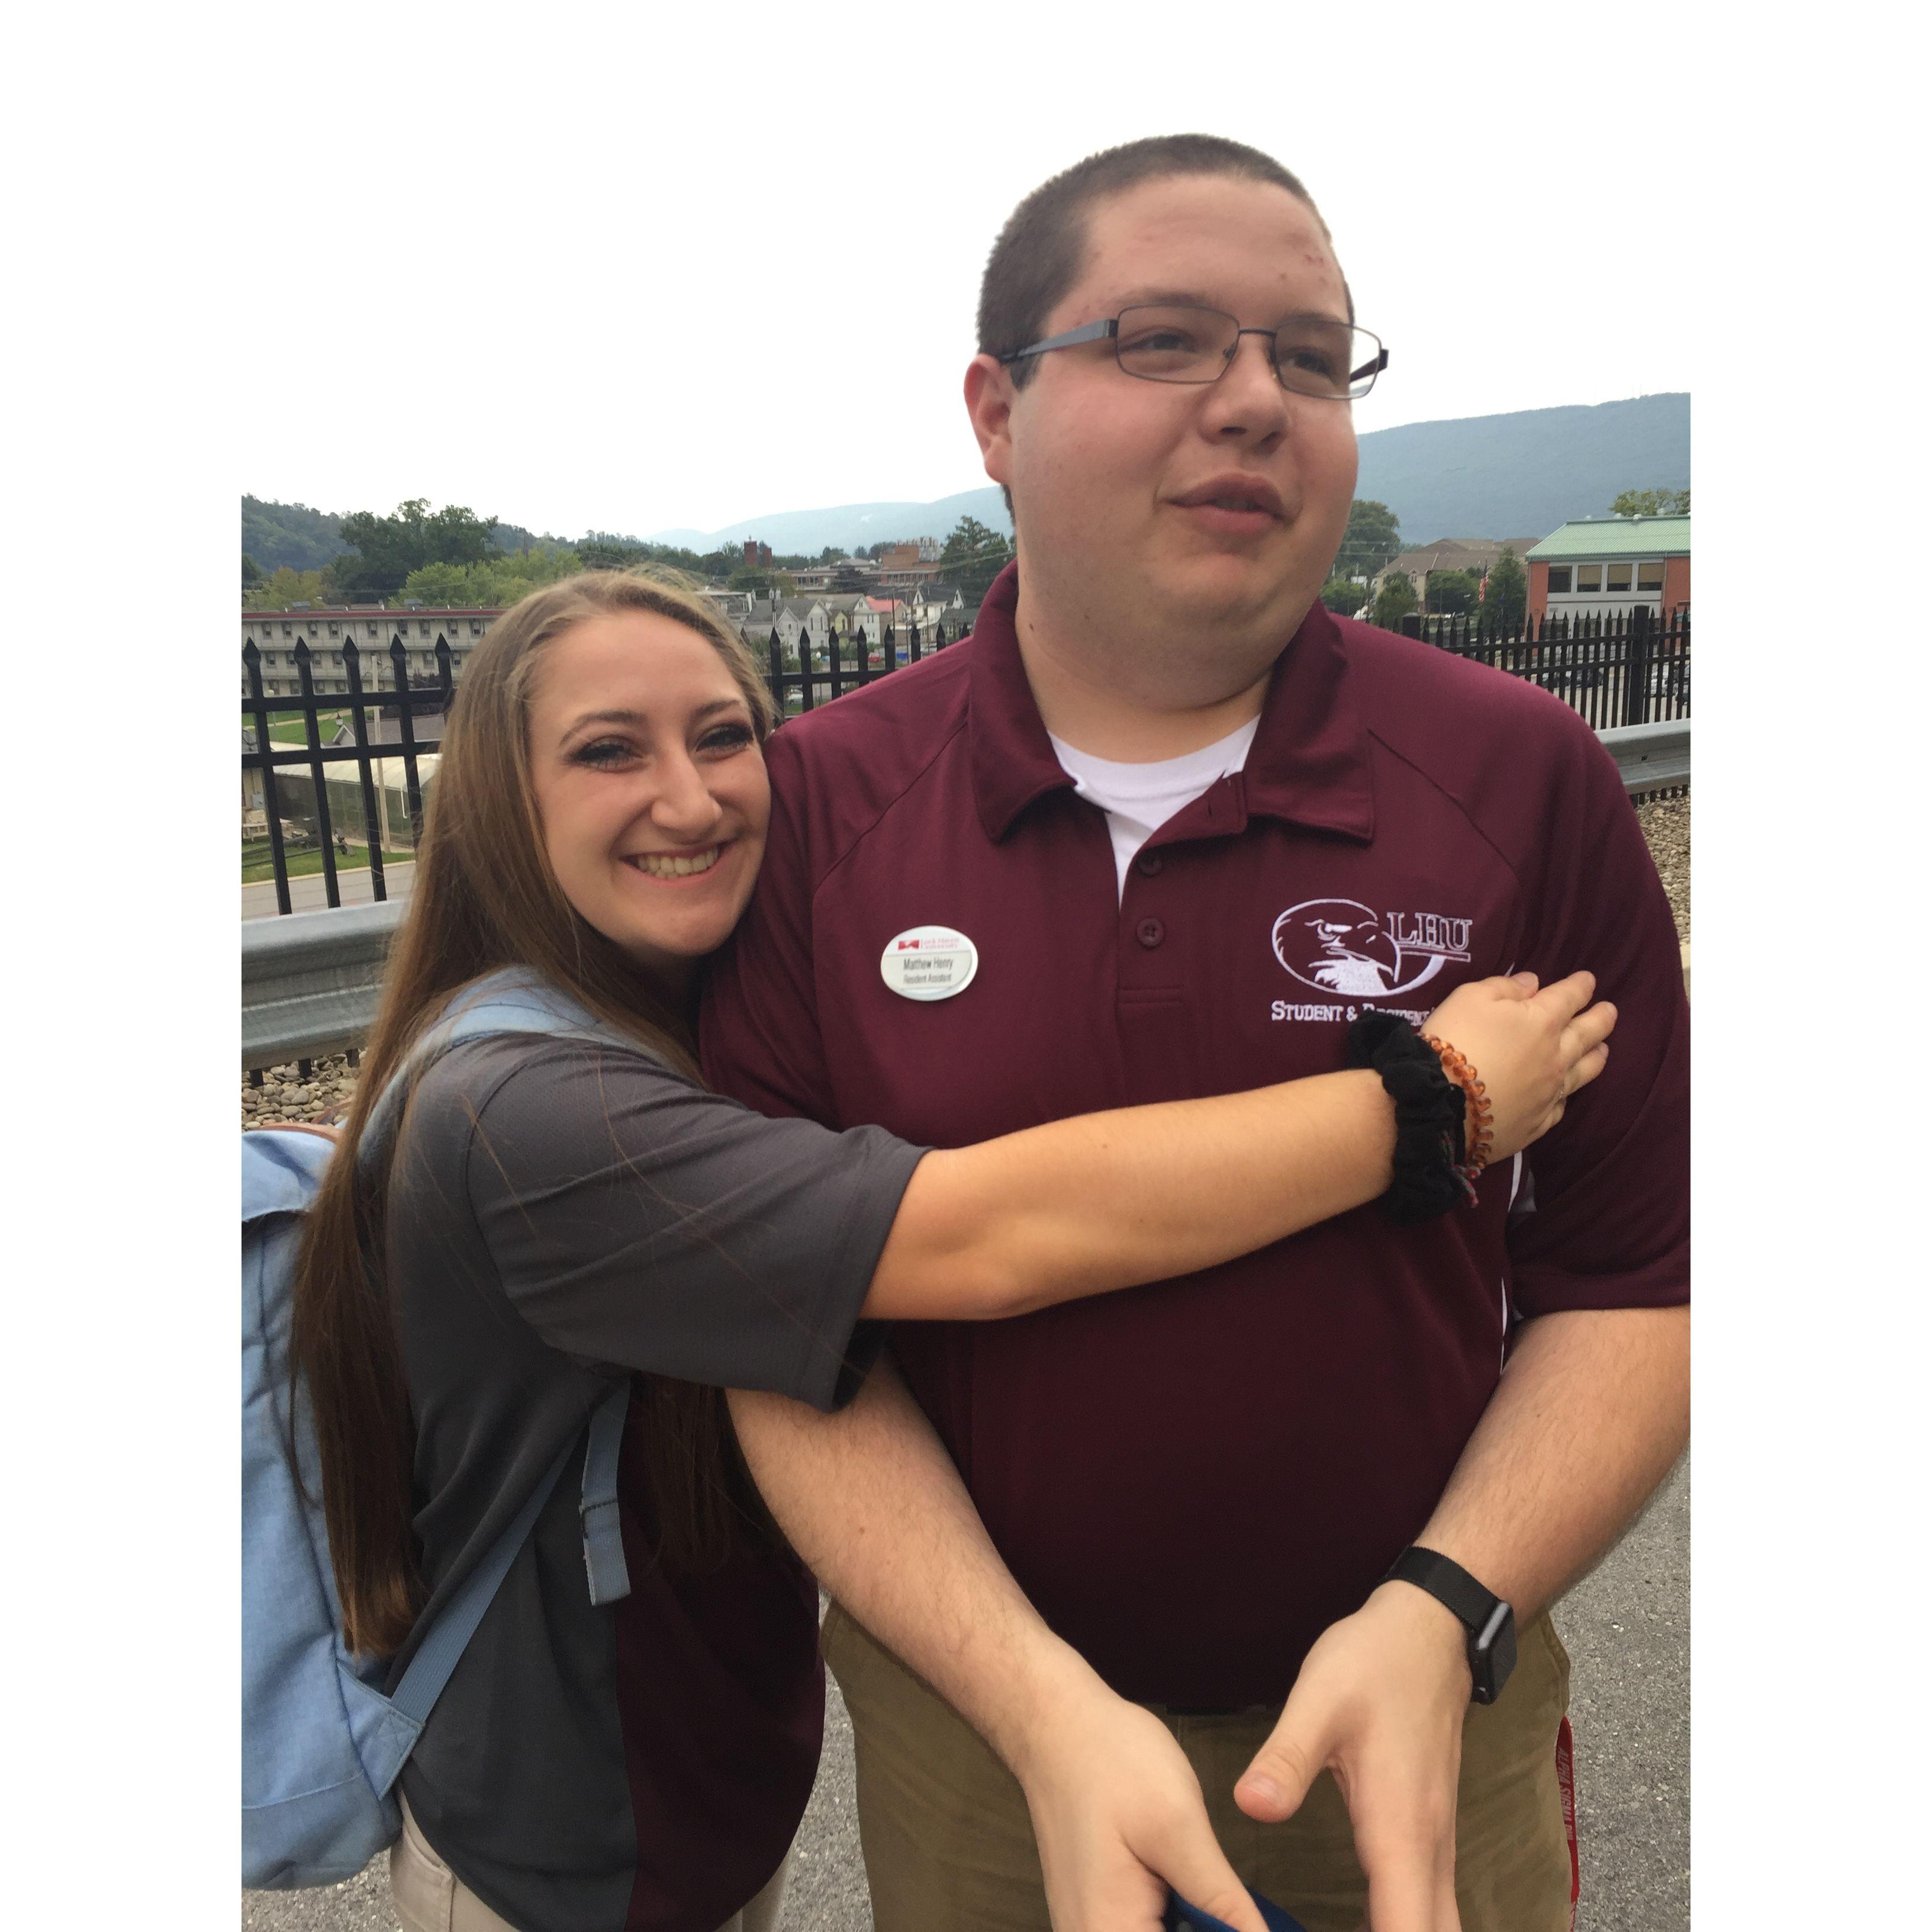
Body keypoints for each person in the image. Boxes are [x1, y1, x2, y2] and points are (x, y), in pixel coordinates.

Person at [287, 568, 1613, 1932]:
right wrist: (1429, 1101)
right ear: (504, 803)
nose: (688, 798)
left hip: (689, 1790)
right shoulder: (525, 1116)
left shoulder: (661, 1028)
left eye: (725, 735)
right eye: (607, 750)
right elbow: (986, 1234)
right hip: (559, 1837)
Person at [702, 134, 1690, 1932]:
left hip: (1416, 1726)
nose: (1257, 401)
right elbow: (787, 1337)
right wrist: (1032, 1699)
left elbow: (1633, 1283)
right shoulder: (814, 821)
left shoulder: (1518, 782)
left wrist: (1442, 1609)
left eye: (1312, 358)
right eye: (1165, 340)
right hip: (991, 1753)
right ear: (996, 412)